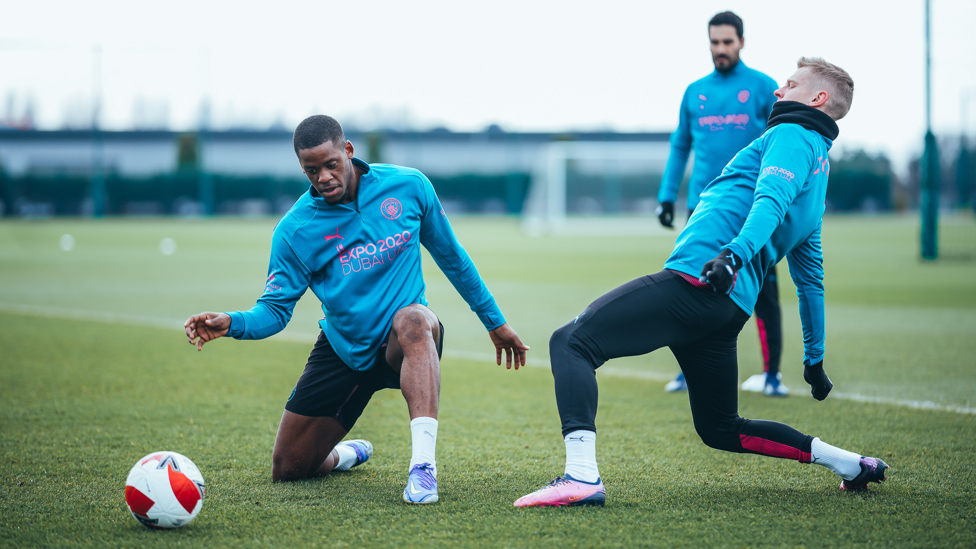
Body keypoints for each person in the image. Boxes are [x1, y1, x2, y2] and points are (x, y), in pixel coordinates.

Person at [516, 57, 889, 508]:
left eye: (789, 84)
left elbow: (768, 204)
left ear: (817, 98)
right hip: (726, 309)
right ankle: (852, 463)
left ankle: (581, 477)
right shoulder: (819, 170)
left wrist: (730, 256)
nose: (777, 91)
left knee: (570, 342)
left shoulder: (791, 135)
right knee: (719, 428)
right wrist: (815, 359)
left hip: (699, 283)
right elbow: (811, 279)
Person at [185, 115, 529, 505]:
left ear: (348, 151)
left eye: (331, 164)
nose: (324, 177)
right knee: (289, 469)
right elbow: (274, 310)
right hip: (344, 348)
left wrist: (494, 321)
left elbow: (453, 257)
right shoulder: (295, 230)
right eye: (311, 171)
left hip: (406, 343)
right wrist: (233, 322)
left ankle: (423, 469)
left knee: (414, 318)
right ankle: (345, 453)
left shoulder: (409, 186)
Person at [655, 11, 786, 396]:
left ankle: (772, 375)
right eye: (715, 42)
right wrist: (667, 195)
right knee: (689, 288)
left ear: (741, 42)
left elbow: (781, 145)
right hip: (703, 207)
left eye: (728, 42)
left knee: (765, 289)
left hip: (751, 206)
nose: (721, 49)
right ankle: (688, 372)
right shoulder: (695, 91)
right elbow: (681, 145)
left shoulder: (764, 88)